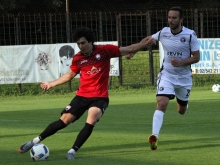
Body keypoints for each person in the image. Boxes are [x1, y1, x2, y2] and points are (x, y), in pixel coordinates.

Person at [18, 27, 154, 160]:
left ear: (90, 42)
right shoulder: (78, 58)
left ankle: (72, 151)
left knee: (92, 118)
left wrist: (143, 44)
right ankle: (35, 141)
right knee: (64, 121)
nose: (80, 46)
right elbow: (69, 75)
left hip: (100, 97)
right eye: (78, 44)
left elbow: (129, 49)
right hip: (82, 96)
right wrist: (51, 84)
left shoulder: (105, 50)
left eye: (83, 43)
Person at [147, 6, 200, 150]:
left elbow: (196, 57)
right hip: (167, 75)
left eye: (174, 18)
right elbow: (149, 40)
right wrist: (133, 50)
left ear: (181, 19)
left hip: (184, 78)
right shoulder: (163, 32)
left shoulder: (190, 35)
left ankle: (183, 102)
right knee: (162, 102)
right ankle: (155, 137)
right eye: (169, 17)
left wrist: (181, 62)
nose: (171, 20)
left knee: (181, 110)